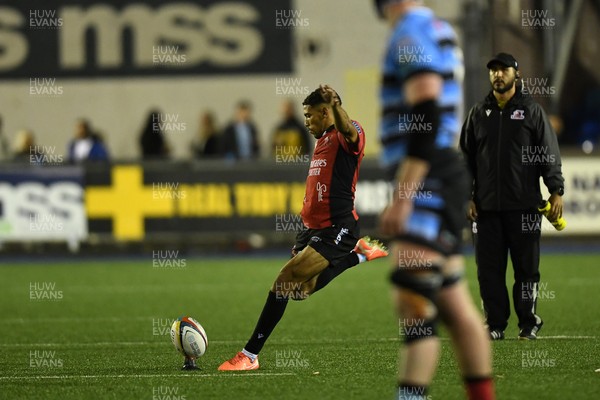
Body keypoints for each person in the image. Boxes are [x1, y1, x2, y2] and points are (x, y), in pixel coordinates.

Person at [215, 85, 388, 372]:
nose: (306, 122)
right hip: (312, 229)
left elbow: (350, 132)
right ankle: (358, 255)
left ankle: (249, 355)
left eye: (309, 116)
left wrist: (335, 106)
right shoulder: (321, 140)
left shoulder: (348, 133)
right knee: (300, 290)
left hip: (337, 227)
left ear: (326, 112)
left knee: (283, 280)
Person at [375, 1, 495, 399]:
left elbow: (425, 109)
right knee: (455, 306)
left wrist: (404, 195)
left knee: (413, 302)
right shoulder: (435, 27)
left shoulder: (409, 32)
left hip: (429, 175)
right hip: (442, 172)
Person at [459, 53, 564, 341]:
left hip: (525, 207)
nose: (497, 75)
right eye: (493, 70)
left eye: (503, 69)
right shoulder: (478, 112)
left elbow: (549, 155)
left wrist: (556, 190)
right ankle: (494, 324)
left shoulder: (532, 111)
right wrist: (467, 197)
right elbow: (465, 160)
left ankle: (528, 323)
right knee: (488, 273)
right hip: (486, 209)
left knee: (526, 270)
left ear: (516, 74)